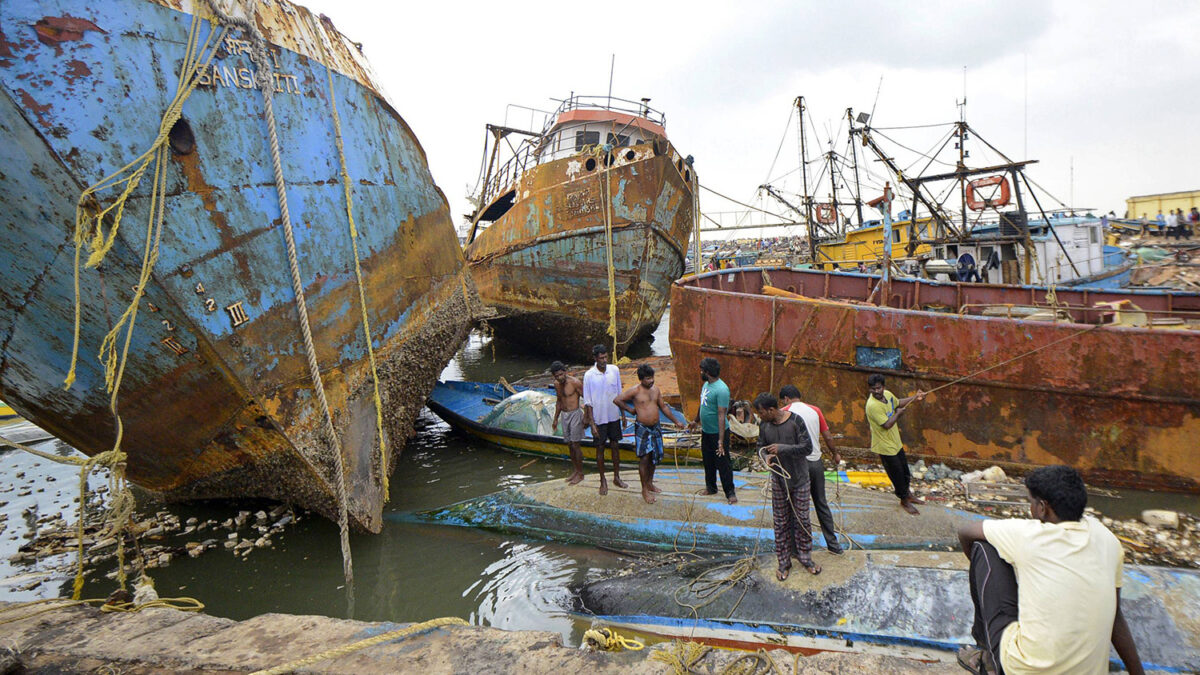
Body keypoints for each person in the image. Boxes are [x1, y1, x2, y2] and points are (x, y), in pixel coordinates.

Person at [955, 466, 1143, 675]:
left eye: (1031, 503)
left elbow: (965, 532)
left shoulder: (1027, 534)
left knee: (985, 548)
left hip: (1023, 670)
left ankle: (988, 658)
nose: (1031, 509)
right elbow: (1116, 615)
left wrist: (984, 579)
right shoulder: (1108, 539)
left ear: (1043, 508)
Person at [753, 393, 819, 580]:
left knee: (802, 520)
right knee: (780, 522)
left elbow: (807, 448)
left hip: (799, 479)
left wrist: (783, 448)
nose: (759, 416)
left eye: (761, 412)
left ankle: (805, 557)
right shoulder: (764, 425)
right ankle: (784, 562)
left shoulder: (796, 421)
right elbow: (760, 447)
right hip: (779, 481)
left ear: (771, 410)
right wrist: (765, 457)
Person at [778, 384, 843, 555]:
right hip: (816, 463)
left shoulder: (784, 411)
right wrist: (835, 454)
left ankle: (795, 550)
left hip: (797, 466)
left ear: (785, 398)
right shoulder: (816, 410)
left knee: (795, 507)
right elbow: (827, 436)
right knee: (821, 503)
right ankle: (834, 545)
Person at [613, 364, 686, 504]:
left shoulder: (656, 390)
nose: (651, 381)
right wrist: (630, 410)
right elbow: (617, 400)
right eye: (647, 378)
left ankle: (650, 483)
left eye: (652, 378)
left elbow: (663, 407)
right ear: (641, 379)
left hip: (656, 427)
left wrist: (676, 421)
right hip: (643, 428)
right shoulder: (635, 391)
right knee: (644, 458)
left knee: (655, 457)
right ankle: (644, 489)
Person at [865, 373, 925, 515]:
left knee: (905, 472)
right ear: (869, 389)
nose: (876, 392)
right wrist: (898, 414)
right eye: (873, 389)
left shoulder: (887, 394)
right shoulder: (873, 406)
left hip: (895, 442)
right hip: (885, 446)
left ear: (883, 387)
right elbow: (887, 424)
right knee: (896, 475)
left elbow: (898, 402)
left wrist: (915, 398)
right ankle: (904, 500)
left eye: (878, 388)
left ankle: (908, 495)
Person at [582, 344, 627, 495]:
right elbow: (588, 402)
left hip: (614, 416)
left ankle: (616, 477)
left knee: (615, 446)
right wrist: (592, 424)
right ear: (595, 358)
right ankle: (603, 480)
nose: (604, 360)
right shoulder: (589, 375)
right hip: (599, 419)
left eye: (606, 357)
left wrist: (623, 415)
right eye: (601, 358)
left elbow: (619, 394)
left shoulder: (614, 370)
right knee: (600, 448)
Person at [692, 357, 737, 503]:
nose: (700, 373)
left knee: (723, 463)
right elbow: (702, 405)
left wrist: (720, 440)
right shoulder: (706, 385)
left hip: (719, 433)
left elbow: (721, 414)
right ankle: (711, 487)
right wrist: (695, 421)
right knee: (708, 461)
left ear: (708, 372)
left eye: (702, 371)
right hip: (706, 431)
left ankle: (730, 492)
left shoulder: (721, 389)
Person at [550, 361, 585, 485]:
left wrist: (587, 418)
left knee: (576, 444)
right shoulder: (556, 384)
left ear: (565, 372)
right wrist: (555, 418)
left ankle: (580, 473)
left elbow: (587, 399)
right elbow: (559, 401)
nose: (559, 378)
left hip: (575, 414)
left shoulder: (575, 383)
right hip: (564, 415)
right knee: (569, 444)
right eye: (556, 376)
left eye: (561, 375)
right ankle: (575, 470)